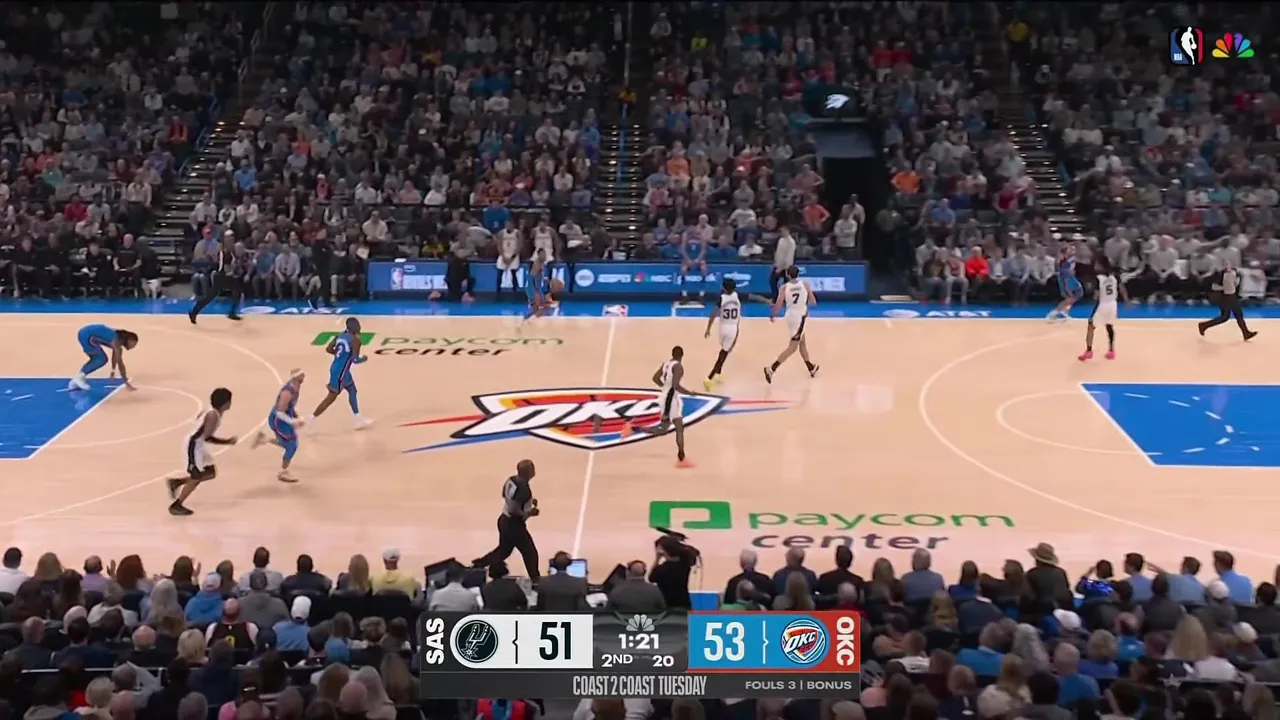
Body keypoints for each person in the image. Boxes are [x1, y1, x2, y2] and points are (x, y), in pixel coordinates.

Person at [166, 388, 237, 516]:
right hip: (193, 446)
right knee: (196, 476)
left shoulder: (212, 411)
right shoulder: (213, 415)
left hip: (198, 444)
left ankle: (177, 482)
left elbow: (199, 420)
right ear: (225, 403)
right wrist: (227, 441)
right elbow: (207, 437)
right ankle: (176, 505)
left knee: (210, 472)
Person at [621, 345, 694, 468]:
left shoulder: (666, 364)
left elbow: (655, 378)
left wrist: (664, 387)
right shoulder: (678, 367)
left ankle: (634, 429)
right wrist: (689, 393)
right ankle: (681, 459)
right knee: (679, 428)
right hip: (671, 400)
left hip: (664, 397)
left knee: (663, 430)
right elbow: (675, 386)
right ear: (682, 356)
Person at [471, 459, 541, 579]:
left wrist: (528, 502)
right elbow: (514, 511)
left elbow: (505, 495)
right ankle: (535, 579)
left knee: (503, 551)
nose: (534, 470)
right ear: (527, 472)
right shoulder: (523, 489)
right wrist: (530, 512)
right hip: (514, 525)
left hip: (504, 520)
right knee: (530, 553)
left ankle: (477, 565)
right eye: (532, 469)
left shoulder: (512, 480)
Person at [304, 318, 372, 430]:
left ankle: (358, 419)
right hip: (341, 373)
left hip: (337, 368)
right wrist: (364, 359)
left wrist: (339, 355)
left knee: (352, 390)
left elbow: (328, 349)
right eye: (358, 325)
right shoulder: (355, 341)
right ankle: (311, 419)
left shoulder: (340, 335)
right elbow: (355, 360)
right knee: (331, 397)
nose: (360, 327)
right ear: (354, 327)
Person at [703, 278, 767, 390]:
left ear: (723, 288)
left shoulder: (721, 298)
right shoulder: (738, 296)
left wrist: (708, 328)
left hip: (722, 328)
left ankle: (718, 373)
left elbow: (713, 313)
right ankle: (709, 378)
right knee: (724, 354)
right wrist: (767, 301)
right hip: (732, 328)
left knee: (723, 350)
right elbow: (755, 297)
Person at [764, 266, 820, 383]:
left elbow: (778, 304)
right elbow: (813, 301)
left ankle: (811, 367)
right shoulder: (805, 284)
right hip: (800, 317)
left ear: (788, 275)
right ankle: (772, 369)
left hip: (790, 316)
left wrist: (773, 315)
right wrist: (803, 303)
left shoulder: (784, 287)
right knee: (793, 347)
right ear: (798, 274)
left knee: (802, 342)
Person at [251, 370, 307, 483]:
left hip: (285, 420)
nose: (304, 376)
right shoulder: (288, 392)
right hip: (278, 421)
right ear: (295, 378)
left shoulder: (296, 388)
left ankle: (264, 439)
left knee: (289, 443)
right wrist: (293, 421)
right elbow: (279, 412)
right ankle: (283, 472)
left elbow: (290, 407)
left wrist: (296, 417)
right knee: (291, 446)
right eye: (301, 375)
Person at [1079, 258, 1127, 361]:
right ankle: (1111, 350)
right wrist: (1127, 300)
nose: (1095, 266)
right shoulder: (1115, 276)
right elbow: (1122, 288)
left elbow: (1096, 295)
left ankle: (1089, 351)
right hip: (1113, 304)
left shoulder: (1098, 278)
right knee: (1109, 326)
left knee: (1091, 326)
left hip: (1102, 304)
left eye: (1097, 264)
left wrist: (1092, 299)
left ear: (1102, 265)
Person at [187, 235, 243, 323]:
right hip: (221, 276)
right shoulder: (224, 253)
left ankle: (231, 313)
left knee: (236, 291)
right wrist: (233, 270)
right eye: (230, 241)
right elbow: (225, 268)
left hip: (224, 276)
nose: (232, 243)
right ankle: (194, 311)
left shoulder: (229, 253)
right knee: (211, 296)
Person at [1198, 259, 1257, 341]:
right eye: (1225, 265)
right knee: (1226, 316)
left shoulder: (1235, 272)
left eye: (1228, 264)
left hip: (1231, 296)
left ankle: (1245, 333)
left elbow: (1237, 281)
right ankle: (1203, 325)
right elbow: (1214, 287)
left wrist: (1235, 283)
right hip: (1223, 297)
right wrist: (1224, 288)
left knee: (1237, 314)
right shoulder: (1219, 275)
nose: (1227, 266)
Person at [70, 324, 139, 391]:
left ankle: (77, 380)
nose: (133, 347)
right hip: (86, 336)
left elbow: (115, 357)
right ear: (129, 340)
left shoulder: (117, 339)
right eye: (134, 344)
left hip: (85, 333)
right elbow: (120, 364)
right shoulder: (116, 342)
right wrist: (126, 383)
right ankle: (79, 377)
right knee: (101, 359)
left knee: (97, 358)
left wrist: (113, 370)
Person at [1047, 245, 1082, 322]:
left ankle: (1064, 312)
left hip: (1071, 278)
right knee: (1069, 297)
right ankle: (1053, 313)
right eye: (1070, 249)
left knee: (1078, 294)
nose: (1072, 250)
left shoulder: (1072, 258)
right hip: (1065, 278)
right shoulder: (1064, 262)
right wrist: (1066, 287)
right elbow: (1063, 272)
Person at [521, 249, 552, 324]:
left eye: (544, 254)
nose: (544, 255)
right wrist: (537, 292)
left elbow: (539, 277)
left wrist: (547, 280)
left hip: (534, 286)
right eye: (542, 254)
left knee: (537, 307)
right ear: (538, 255)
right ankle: (526, 321)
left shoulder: (541, 263)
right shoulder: (537, 263)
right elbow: (534, 278)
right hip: (532, 287)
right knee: (544, 305)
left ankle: (525, 321)